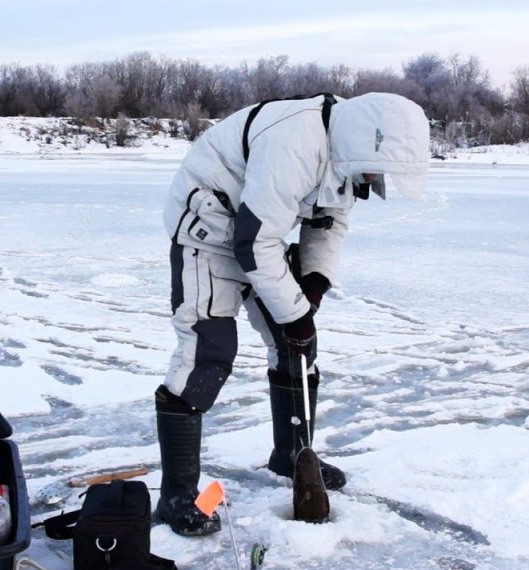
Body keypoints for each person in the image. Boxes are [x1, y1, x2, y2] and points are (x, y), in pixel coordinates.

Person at [154, 92, 430, 536]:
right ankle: (176, 495)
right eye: (380, 168)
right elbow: (253, 242)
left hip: (255, 231)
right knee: (209, 352)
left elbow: (328, 220)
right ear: (367, 143)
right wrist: (295, 312)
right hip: (208, 232)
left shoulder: (346, 149)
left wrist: (314, 285)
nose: (377, 177)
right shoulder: (296, 143)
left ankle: (292, 457)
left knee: (297, 347)